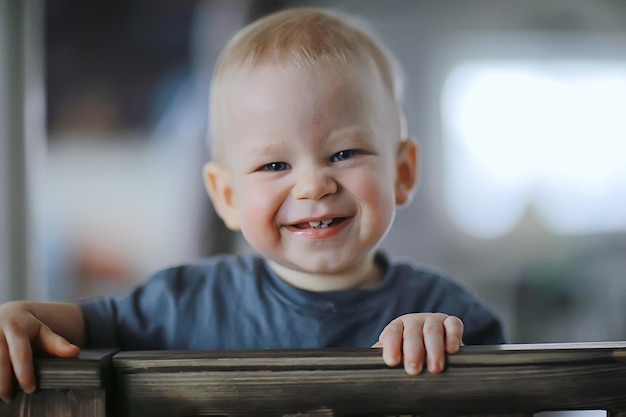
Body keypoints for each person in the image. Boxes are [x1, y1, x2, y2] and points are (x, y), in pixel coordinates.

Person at [0, 7, 505, 403]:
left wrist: (450, 353)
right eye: (273, 166)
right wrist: (19, 315)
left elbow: (521, 391)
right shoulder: (185, 303)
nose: (313, 185)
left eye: (345, 153)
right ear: (227, 197)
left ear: (402, 173)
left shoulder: (449, 314)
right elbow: (78, 326)